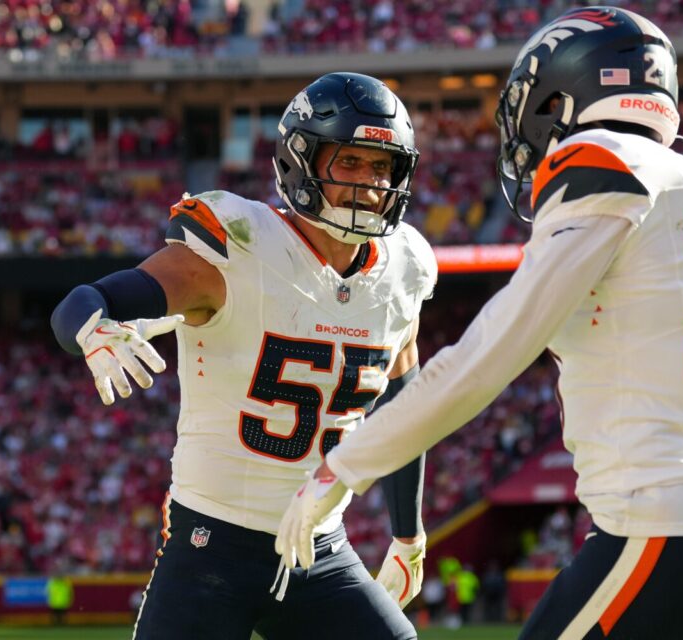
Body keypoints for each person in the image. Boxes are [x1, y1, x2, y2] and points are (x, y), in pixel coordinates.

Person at [276, 7, 683, 639]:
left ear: (564, 95)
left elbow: (497, 346)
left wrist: (344, 465)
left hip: (662, 535)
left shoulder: (602, 159)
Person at [51, 72, 436, 640]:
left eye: (381, 167)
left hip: (318, 550)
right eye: (349, 163)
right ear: (303, 161)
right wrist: (91, 328)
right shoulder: (238, 245)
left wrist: (408, 534)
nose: (369, 184)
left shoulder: (404, 268)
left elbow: (406, 408)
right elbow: (87, 301)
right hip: (212, 548)